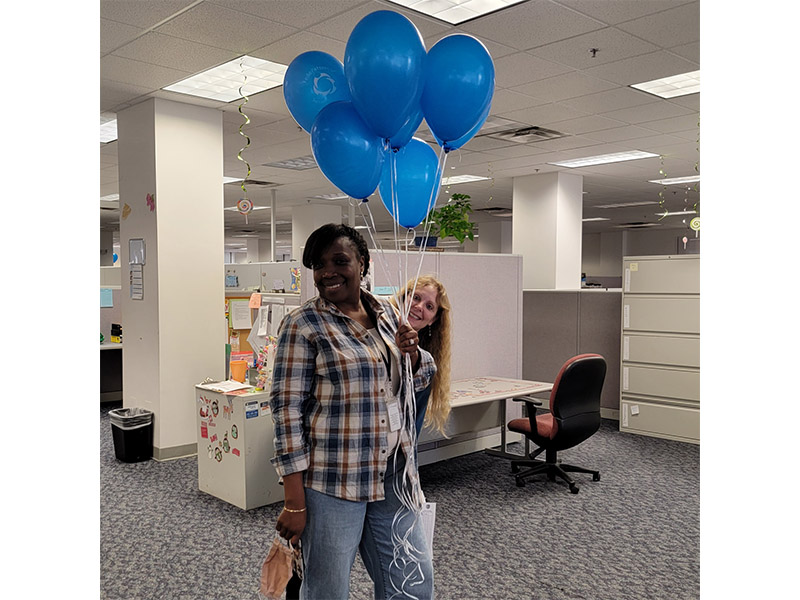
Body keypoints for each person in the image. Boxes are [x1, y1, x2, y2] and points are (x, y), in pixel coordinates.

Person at [269, 223, 436, 600]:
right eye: (318, 264)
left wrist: (412, 354)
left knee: (412, 583)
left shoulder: (388, 315)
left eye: (340, 260)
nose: (328, 271)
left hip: (393, 474)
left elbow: (421, 377)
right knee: (327, 590)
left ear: (363, 263)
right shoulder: (302, 325)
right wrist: (294, 502)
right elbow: (286, 414)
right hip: (334, 480)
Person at [393, 276, 452, 436]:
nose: (419, 307)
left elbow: (412, 425)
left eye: (429, 306)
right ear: (404, 298)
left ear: (433, 319)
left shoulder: (426, 364)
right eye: (416, 298)